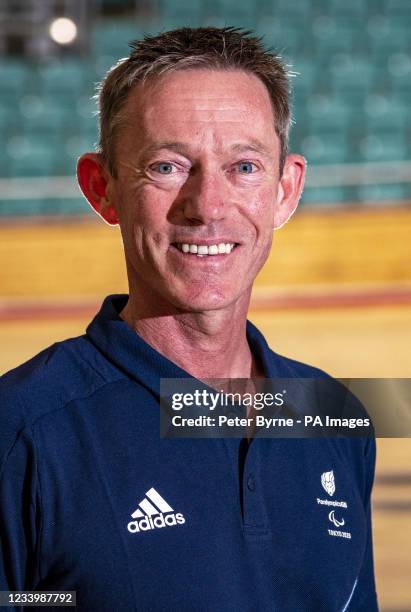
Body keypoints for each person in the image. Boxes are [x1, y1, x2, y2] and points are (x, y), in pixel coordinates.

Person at [0, 27, 378, 611]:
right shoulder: (20, 430)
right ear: (102, 188)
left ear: (286, 189)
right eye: (169, 166)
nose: (208, 206)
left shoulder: (334, 417)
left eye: (245, 167)